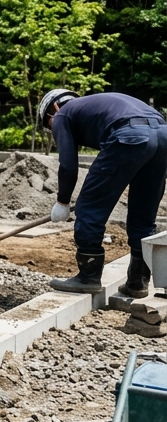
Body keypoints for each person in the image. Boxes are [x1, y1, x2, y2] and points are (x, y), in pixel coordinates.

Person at [39, 89, 167, 296]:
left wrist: (62, 202)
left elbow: (68, 166)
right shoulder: (96, 106)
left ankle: (88, 277)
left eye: (49, 126)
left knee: (89, 207)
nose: (53, 130)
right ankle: (138, 282)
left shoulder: (62, 114)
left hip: (129, 135)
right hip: (163, 136)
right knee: (144, 215)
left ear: (53, 108)